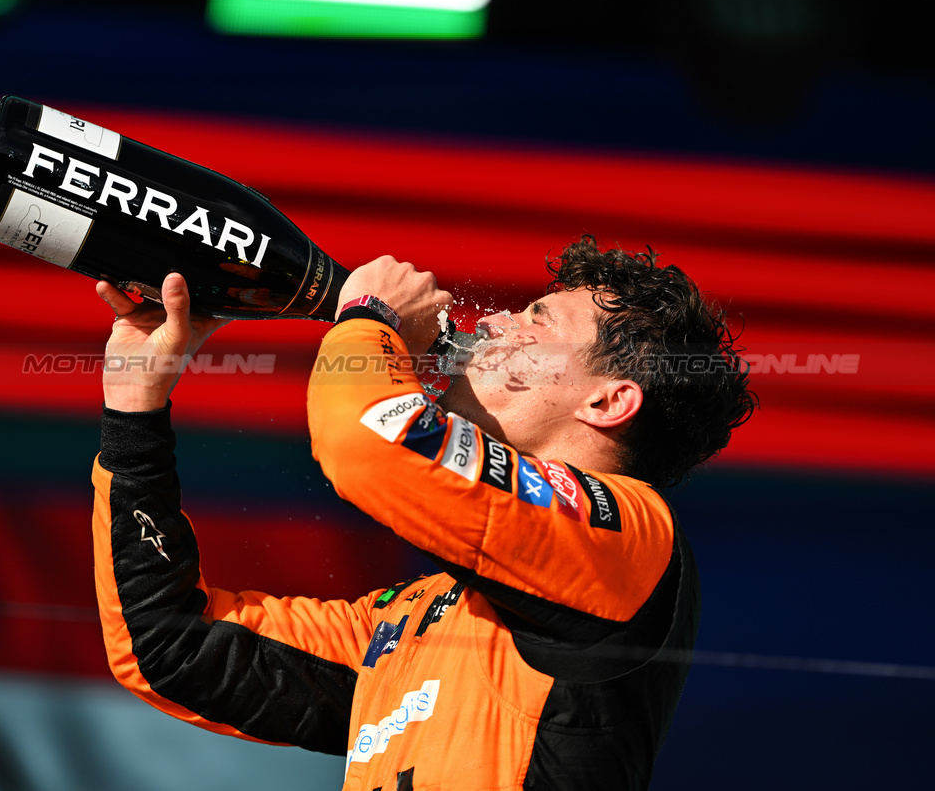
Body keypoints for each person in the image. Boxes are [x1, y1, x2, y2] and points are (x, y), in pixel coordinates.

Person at [91, 236, 755, 790]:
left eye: (537, 321)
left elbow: (369, 443)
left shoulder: (627, 536)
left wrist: (370, 315)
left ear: (608, 403)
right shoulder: (418, 613)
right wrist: (133, 411)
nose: (494, 322)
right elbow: (170, 650)